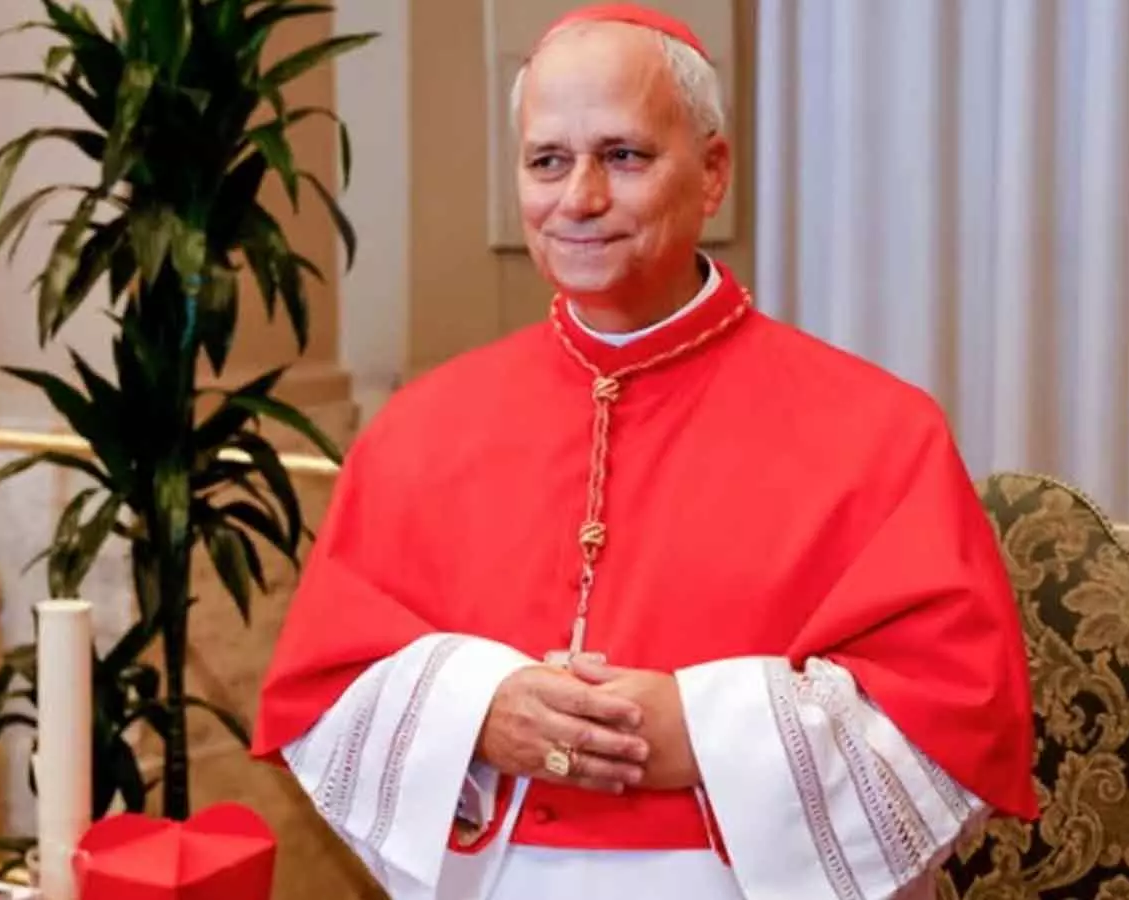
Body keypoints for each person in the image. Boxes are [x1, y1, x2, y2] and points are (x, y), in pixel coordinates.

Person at [251, 5, 1037, 899]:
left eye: (623, 156)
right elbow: (325, 687)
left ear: (712, 173)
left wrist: (699, 731)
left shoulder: (883, 433)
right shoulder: (417, 431)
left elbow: (955, 721)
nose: (579, 198)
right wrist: (476, 708)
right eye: (548, 161)